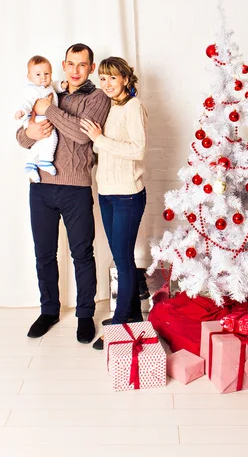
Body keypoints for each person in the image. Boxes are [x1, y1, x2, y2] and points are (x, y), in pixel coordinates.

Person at [16, 43, 111, 343]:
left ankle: (85, 315)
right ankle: (49, 310)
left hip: (75, 188)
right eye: (70, 64)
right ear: (63, 64)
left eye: (82, 65)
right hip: (40, 187)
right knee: (44, 254)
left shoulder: (97, 97)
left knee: (82, 253)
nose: (75, 70)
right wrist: (30, 133)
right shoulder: (47, 91)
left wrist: (49, 110)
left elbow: (82, 136)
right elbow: (23, 133)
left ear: (91, 68)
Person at [80, 57, 147, 350]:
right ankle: (131, 314)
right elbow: (102, 148)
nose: (107, 84)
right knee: (120, 255)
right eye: (103, 79)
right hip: (106, 192)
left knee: (123, 259)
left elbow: (138, 150)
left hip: (128, 195)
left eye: (113, 78)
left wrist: (99, 138)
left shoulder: (133, 107)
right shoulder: (111, 107)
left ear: (125, 79)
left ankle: (119, 323)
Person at [15, 55, 68, 182]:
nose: (43, 77)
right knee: (51, 138)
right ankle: (45, 160)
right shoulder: (33, 90)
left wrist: (62, 85)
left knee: (39, 144)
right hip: (37, 120)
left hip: (43, 118)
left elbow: (54, 86)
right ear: (30, 77)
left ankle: (30, 164)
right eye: (38, 74)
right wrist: (22, 111)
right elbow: (27, 102)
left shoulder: (47, 86)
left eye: (47, 73)